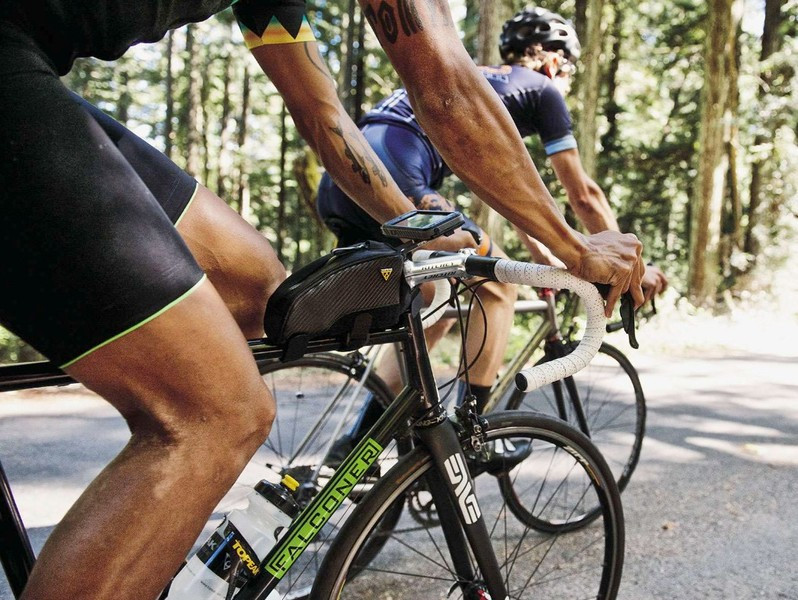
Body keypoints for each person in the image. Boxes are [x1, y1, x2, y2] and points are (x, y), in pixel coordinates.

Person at [0, 1, 644, 599]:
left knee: (259, 288)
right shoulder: (534, 89)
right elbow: (446, 88)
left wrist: (408, 222)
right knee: (218, 415)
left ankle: (178, 540)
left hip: (32, 63)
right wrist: (574, 248)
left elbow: (322, 115)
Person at [317, 6, 667, 429]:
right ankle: (472, 432)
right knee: (498, 289)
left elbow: (508, 192)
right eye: (570, 73)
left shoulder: (481, 79)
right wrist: (626, 263)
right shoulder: (542, 88)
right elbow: (584, 196)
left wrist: (541, 253)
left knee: (440, 298)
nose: (567, 83)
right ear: (554, 61)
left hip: (343, 178)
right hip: (398, 179)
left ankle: (360, 444)